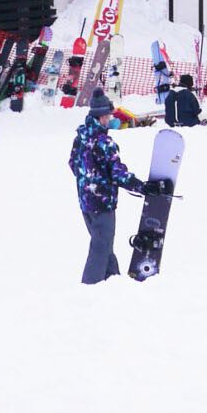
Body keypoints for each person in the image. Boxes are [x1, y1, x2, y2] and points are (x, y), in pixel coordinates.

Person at [69, 90, 146, 284]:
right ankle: (90, 286)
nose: (110, 119)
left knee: (104, 244)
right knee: (101, 247)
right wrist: (142, 187)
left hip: (86, 201)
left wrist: (88, 180)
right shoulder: (105, 143)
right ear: (102, 116)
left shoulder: (81, 138)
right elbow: (118, 173)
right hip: (102, 203)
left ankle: (113, 282)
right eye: (108, 116)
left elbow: (73, 163)